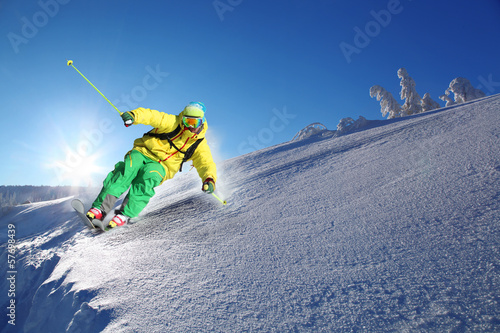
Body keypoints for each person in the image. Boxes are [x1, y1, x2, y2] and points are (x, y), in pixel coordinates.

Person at [86, 101, 217, 229]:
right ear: (182, 118)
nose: (190, 126)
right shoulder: (172, 122)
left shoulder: (199, 144)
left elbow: (205, 162)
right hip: (143, 151)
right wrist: (134, 116)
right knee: (126, 171)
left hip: (163, 166)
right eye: (187, 121)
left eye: (195, 122)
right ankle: (101, 208)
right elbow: (151, 116)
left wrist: (209, 178)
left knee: (147, 180)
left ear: (202, 122)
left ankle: (125, 214)